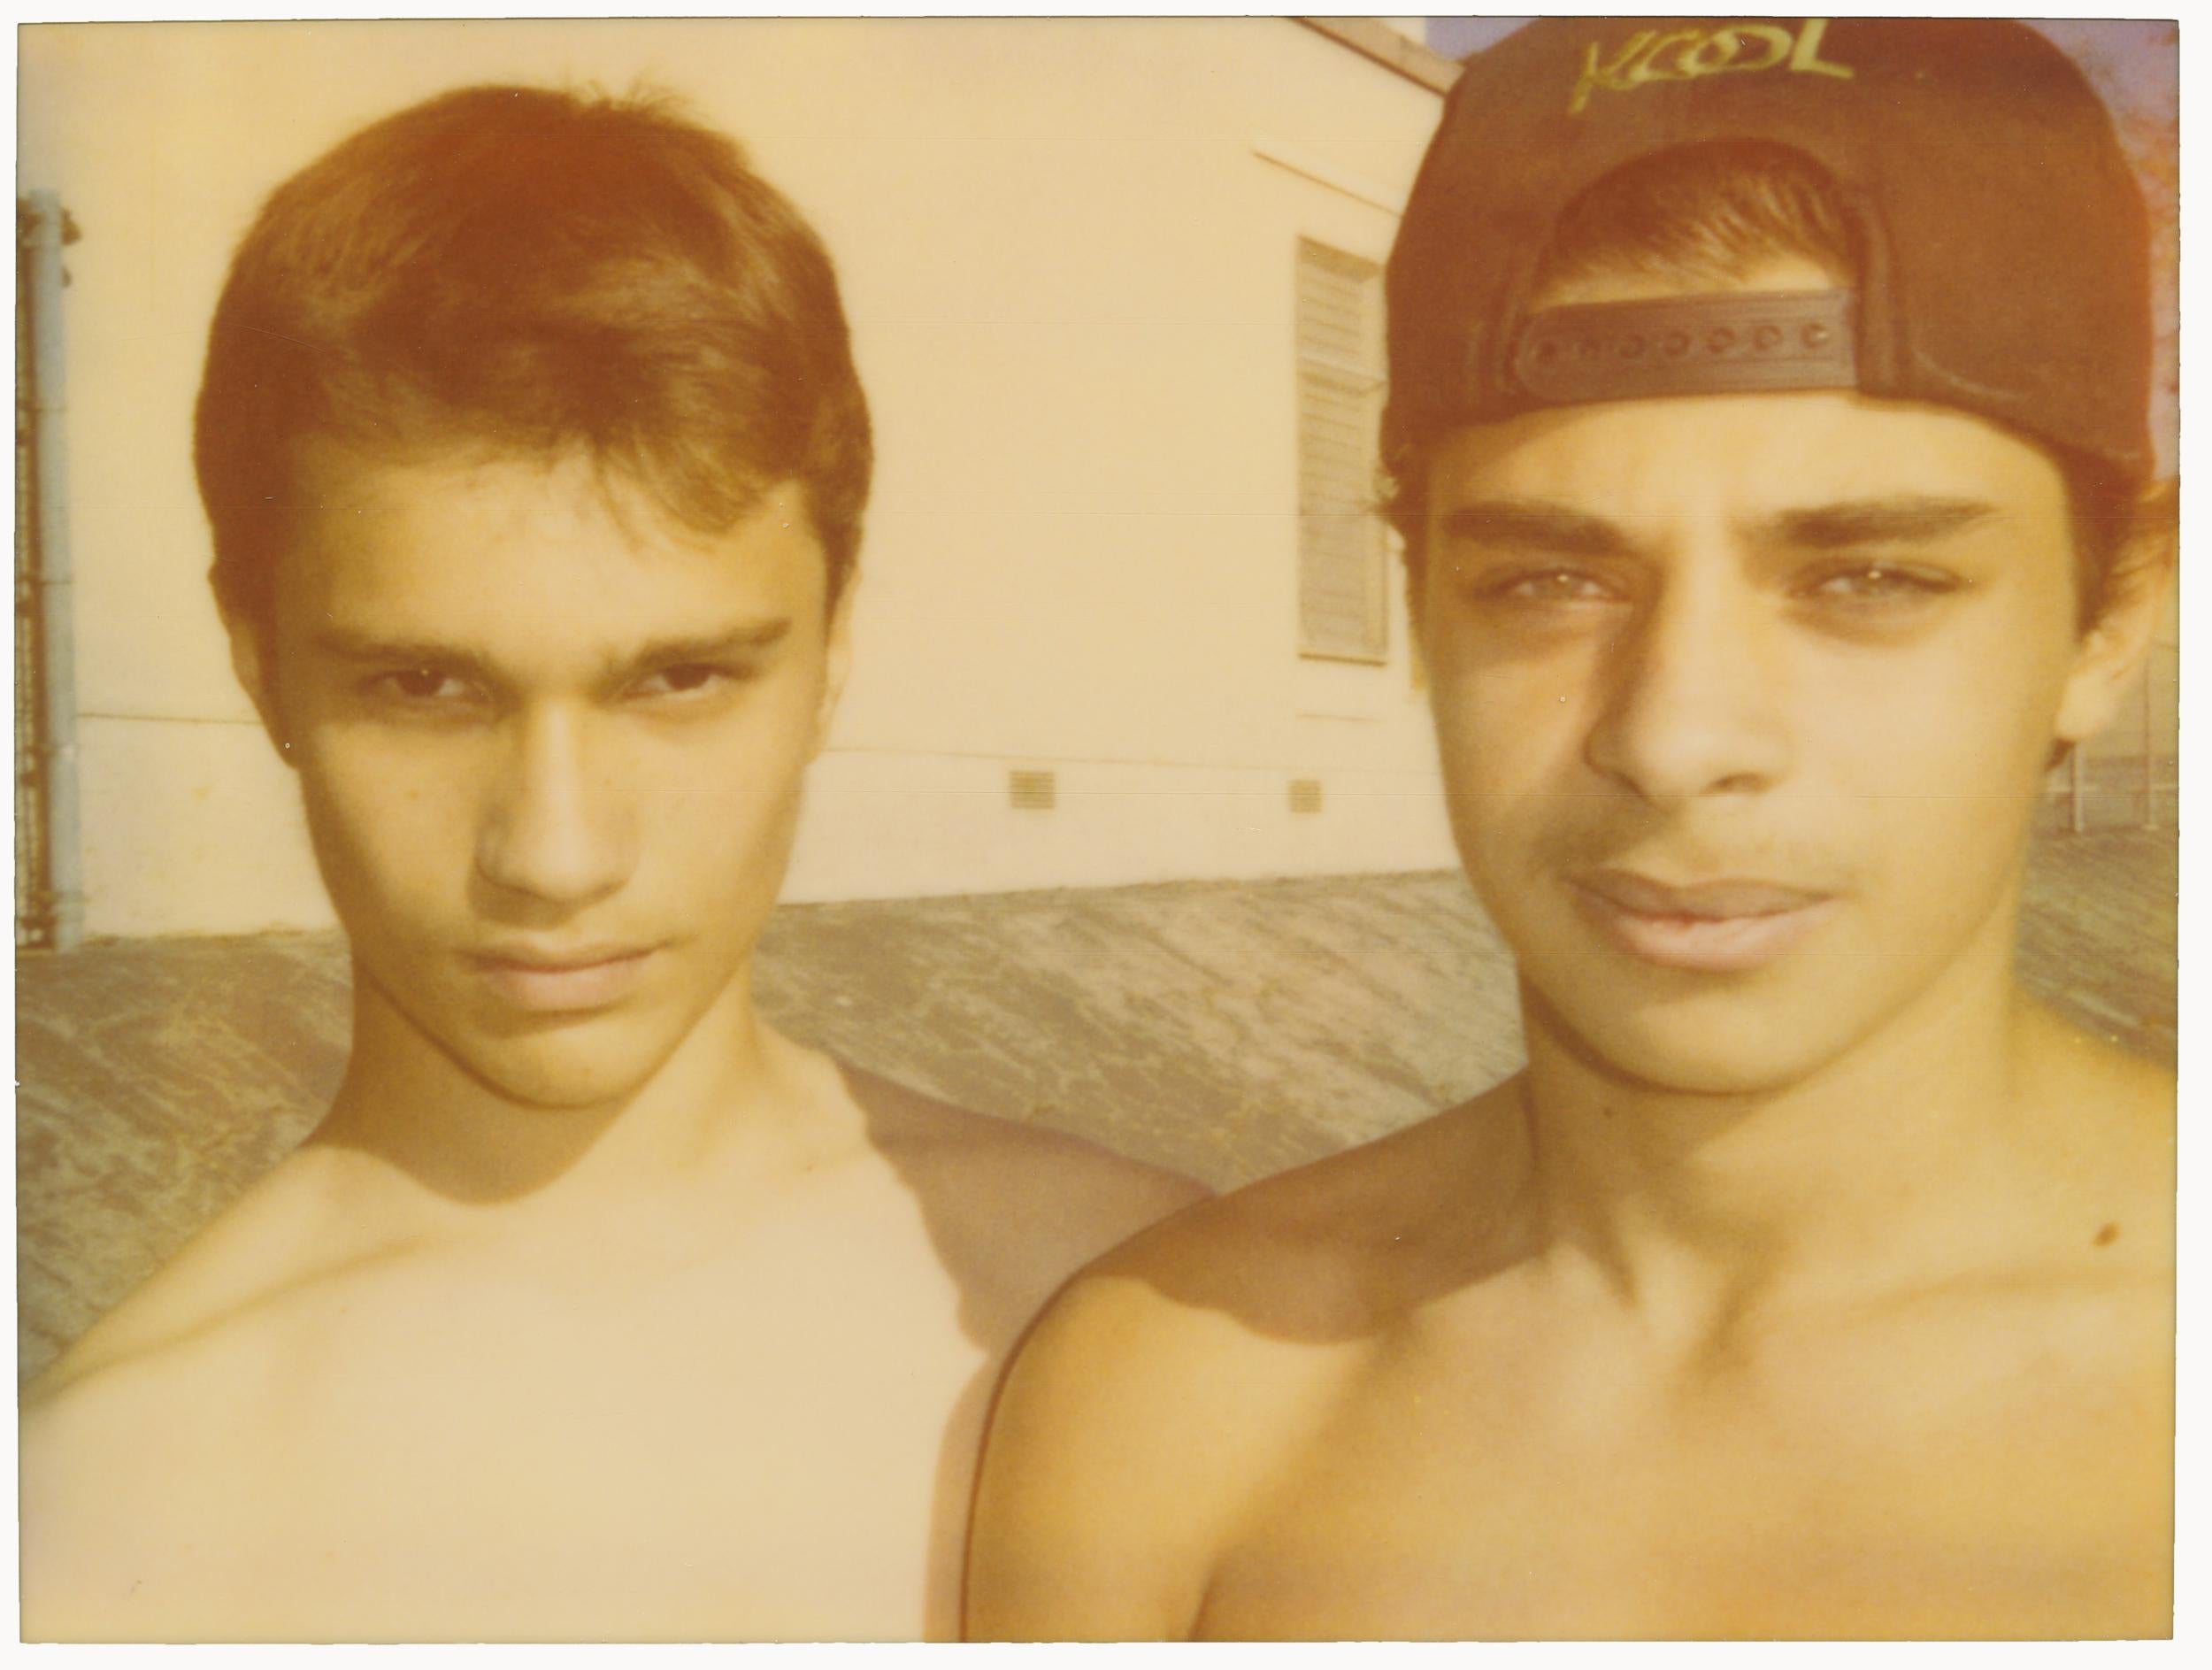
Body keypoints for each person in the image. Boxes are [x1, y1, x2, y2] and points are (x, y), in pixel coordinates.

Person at [967, 18, 2174, 1641]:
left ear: (2109, 625)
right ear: (1419, 611)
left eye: (1870, 579)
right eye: (1549, 581)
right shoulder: (1171, 1401)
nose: (1675, 737)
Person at [19, 83, 1202, 1643]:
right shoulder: (95, 1520)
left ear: (835, 647)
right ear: (261, 665)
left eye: (678, 680)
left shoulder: (1133, 1307)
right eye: (425, 689)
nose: (556, 853)